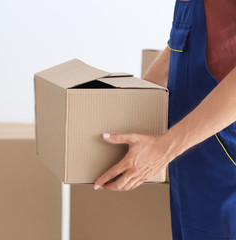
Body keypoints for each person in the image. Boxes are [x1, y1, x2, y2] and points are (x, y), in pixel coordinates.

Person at [93, 0, 236, 239]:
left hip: (225, 156)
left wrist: (164, 149)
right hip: (190, 153)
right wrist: (138, 102)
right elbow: (184, 38)